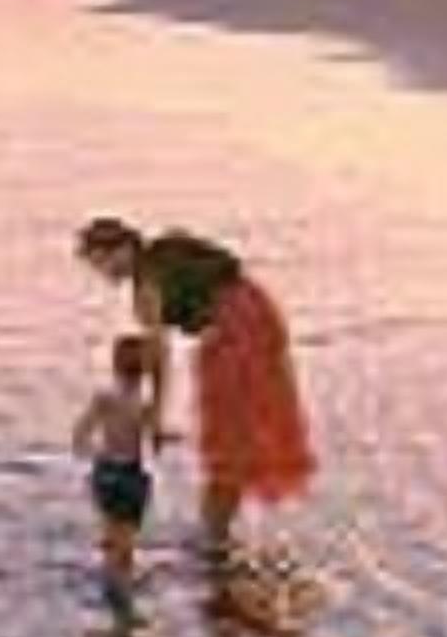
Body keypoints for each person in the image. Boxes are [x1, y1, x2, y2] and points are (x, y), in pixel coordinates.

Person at [74, 216, 314, 547]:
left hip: (234, 332)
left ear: (122, 249)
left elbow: (159, 354)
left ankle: (215, 536)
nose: (103, 273)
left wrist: (156, 413)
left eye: (101, 262)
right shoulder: (169, 247)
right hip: (260, 311)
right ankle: (220, 529)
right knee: (243, 431)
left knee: (225, 441)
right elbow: (225, 272)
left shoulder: (145, 288)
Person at [70, 331, 161, 588]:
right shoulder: (144, 404)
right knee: (127, 538)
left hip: (106, 469)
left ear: (114, 364)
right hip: (131, 472)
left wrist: (92, 453)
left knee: (111, 532)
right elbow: (156, 442)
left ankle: (112, 576)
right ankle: (122, 581)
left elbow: (80, 435)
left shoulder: (106, 398)